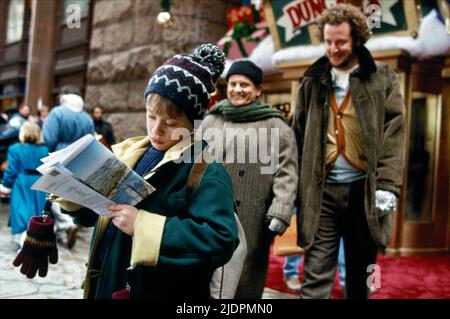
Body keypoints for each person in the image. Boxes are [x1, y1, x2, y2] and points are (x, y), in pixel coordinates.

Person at [54, 43, 239, 299]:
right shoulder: (128, 153)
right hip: (106, 284)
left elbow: (221, 238)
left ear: (193, 123)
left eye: (170, 123)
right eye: (151, 116)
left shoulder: (206, 170)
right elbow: (92, 218)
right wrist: (75, 195)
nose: (156, 130)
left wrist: (142, 225)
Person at [292, 3, 405, 299]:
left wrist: (388, 186)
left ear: (356, 39)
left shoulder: (382, 77)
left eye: (341, 41)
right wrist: (294, 190)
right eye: (328, 41)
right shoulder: (311, 79)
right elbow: (298, 135)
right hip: (321, 192)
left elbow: (395, 132)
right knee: (315, 273)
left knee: (364, 274)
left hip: (364, 192)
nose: (333, 48)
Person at [200, 60, 299, 299]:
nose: (237, 89)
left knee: (245, 280)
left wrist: (280, 211)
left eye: (244, 84)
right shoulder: (211, 120)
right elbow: (193, 160)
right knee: (207, 276)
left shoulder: (277, 125)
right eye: (233, 84)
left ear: (257, 90)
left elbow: (287, 172)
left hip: (254, 219)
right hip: (209, 212)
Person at [43, 85, 95, 249]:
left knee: (55, 193)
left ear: (64, 97)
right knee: (73, 194)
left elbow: (49, 139)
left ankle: (66, 224)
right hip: (81, 159)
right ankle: (63, 232)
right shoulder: (87, 117)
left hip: (60, 156)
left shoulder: (57, 113)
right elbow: (92, 139)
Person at [0, 122, 48, 248]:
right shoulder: (44, 149)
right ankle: (30, 239)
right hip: (38, 182)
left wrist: (5, 185)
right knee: (36, 212)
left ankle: (25, 242)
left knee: (21, 211)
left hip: (22, 182)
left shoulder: (15, 149)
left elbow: (11, 170)